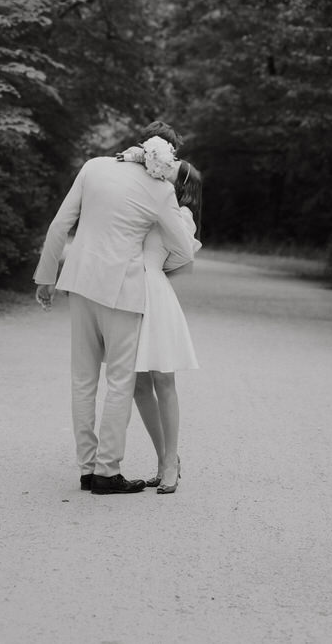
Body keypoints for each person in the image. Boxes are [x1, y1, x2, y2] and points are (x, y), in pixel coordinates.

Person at [34, 122, 197, 495]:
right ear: (166, 156)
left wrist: (45, 277)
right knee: (121, 381)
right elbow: (184, 251)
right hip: (123, 290)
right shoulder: (160, 190)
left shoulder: (93, 167)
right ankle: (107, 472)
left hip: (80, 283)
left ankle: (87, 469)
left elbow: (60, 225)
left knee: (82, 379)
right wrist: (159, 263)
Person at [131, 159, 202, 495]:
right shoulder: (141, 201)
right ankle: (162, 459)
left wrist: (155, 272)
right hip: (127, 293)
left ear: (181, 184)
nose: (161, 168)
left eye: (170, 168)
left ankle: (171, 461)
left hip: (154, 296)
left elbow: (185, 260)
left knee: (163, 378)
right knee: (137, 384)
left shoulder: (181, 214)